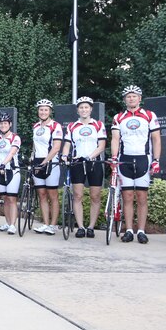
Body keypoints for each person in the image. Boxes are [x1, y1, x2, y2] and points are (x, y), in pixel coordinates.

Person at [110, 85, 161, 244]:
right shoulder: (119, 117)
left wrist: (156, 160)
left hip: (143, 160)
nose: (131, 98)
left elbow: (156, 139)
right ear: (125, 99)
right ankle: (129, 230)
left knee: (141, 197)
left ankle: (141, 231)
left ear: (140, 98)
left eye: (134, 96)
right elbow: (116, 139)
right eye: (128, 96)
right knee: (127, 197)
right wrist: (113, 158)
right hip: (125, 159)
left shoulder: (149, 115)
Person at [62, 96, 106, 239]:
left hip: (94, 162)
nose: (84, 110)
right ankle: (80, 227)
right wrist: (64, 155)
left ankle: (91, 227)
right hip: (78, 162)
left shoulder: (98, 125)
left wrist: (90, 156)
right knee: (78, 195)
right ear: (77, 110)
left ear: (91, 109)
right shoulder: (72, 126)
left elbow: (102, 146)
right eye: (81, 107)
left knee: (95, 196)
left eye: (86, 107)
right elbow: (67, 144)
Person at [30, 99, 64, 235]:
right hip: (37, 161)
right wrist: (32, 157)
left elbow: (56, 147)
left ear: (50, 111)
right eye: (41, 109)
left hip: (51, 162)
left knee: (52, 195)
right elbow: (35, 144)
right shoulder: (36, 126)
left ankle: (53, 225)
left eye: (46, 110)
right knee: (42, 194)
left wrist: (44, 162)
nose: (43, 112)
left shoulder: (55, 126)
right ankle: (45, 223)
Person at [0, 112, 21, 234]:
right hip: (0, 171)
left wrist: (3, 164)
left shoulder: (15, 137)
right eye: (1, 123)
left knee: (12, 199)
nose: (3, 125)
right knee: (4, 198)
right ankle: (7, 222)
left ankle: (12, 225)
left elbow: (11, 153)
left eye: (5, 123)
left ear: (10, 124)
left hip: (12, 171)